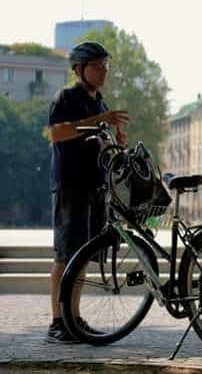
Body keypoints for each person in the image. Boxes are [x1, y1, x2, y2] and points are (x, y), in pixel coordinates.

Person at [46, 42, 130, 343]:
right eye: (97, 65)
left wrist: (117, 143)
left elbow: (103, 144)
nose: (104, 70)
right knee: (65, 256)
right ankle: (57, 322)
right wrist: (97, 123)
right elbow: (56, 133)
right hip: (70, 186)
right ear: (80, 69)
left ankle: (74, 318)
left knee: (81, 258)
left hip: (96, 188)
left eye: (106, 64)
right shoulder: (66, 97)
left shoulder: (101, 105)